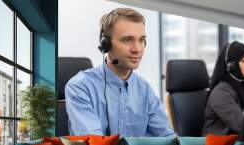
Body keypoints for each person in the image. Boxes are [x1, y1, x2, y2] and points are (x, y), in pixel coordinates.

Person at [65, 8, 174, 137]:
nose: (137, 49)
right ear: (106, 44)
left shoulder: (144, 89)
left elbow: (167, 140)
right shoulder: (80, 87)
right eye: (127, 40)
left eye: (141, 40)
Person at [202, 41, 244, 137]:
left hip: (235, 144)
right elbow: (242, 126)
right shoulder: (221, 92)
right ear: (231, 66)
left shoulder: (243, 86)